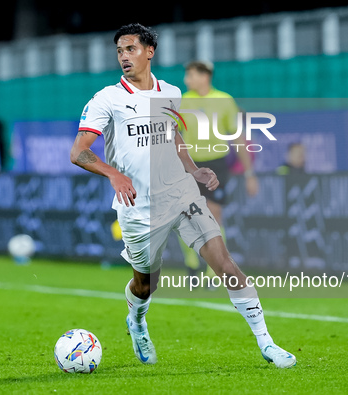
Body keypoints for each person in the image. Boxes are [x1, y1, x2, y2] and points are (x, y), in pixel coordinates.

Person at [70, 23, 296, 368]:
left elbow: (172, 136)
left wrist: (192, 169)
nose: (124, 56)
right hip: (139, 208)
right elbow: (79, 152)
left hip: (181, 194)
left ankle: (267, 342)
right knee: (146, 284)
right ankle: (138, 321)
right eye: (119, 51)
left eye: (130, 49)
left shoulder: (171, 93)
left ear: (149, 51)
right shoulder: (107, 99)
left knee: (226, 264)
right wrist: (113, 174)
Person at [179, 61, 259, 284]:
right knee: (186, 215)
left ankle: (212, 272)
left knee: (214, 216)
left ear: (205, 76)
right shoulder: (183, 101)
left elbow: (238, 137)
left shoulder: (224, 100)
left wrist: (250, 173)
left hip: (216, 163)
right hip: (190, 164)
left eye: (191, 75)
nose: (187, 80)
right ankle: (192, 263)